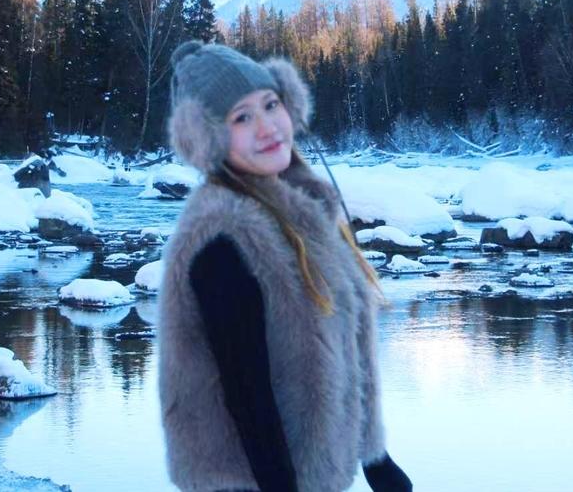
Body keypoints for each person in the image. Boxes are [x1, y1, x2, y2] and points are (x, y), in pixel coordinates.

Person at [159, 41, 412, 492]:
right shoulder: (223, 239)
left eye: (270, 104)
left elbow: (348, 340)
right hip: (247, 482)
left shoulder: (306, 209)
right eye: (241, 117)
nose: (267, 126)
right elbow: (247, 395)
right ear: (209, 138)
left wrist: (375, 459)